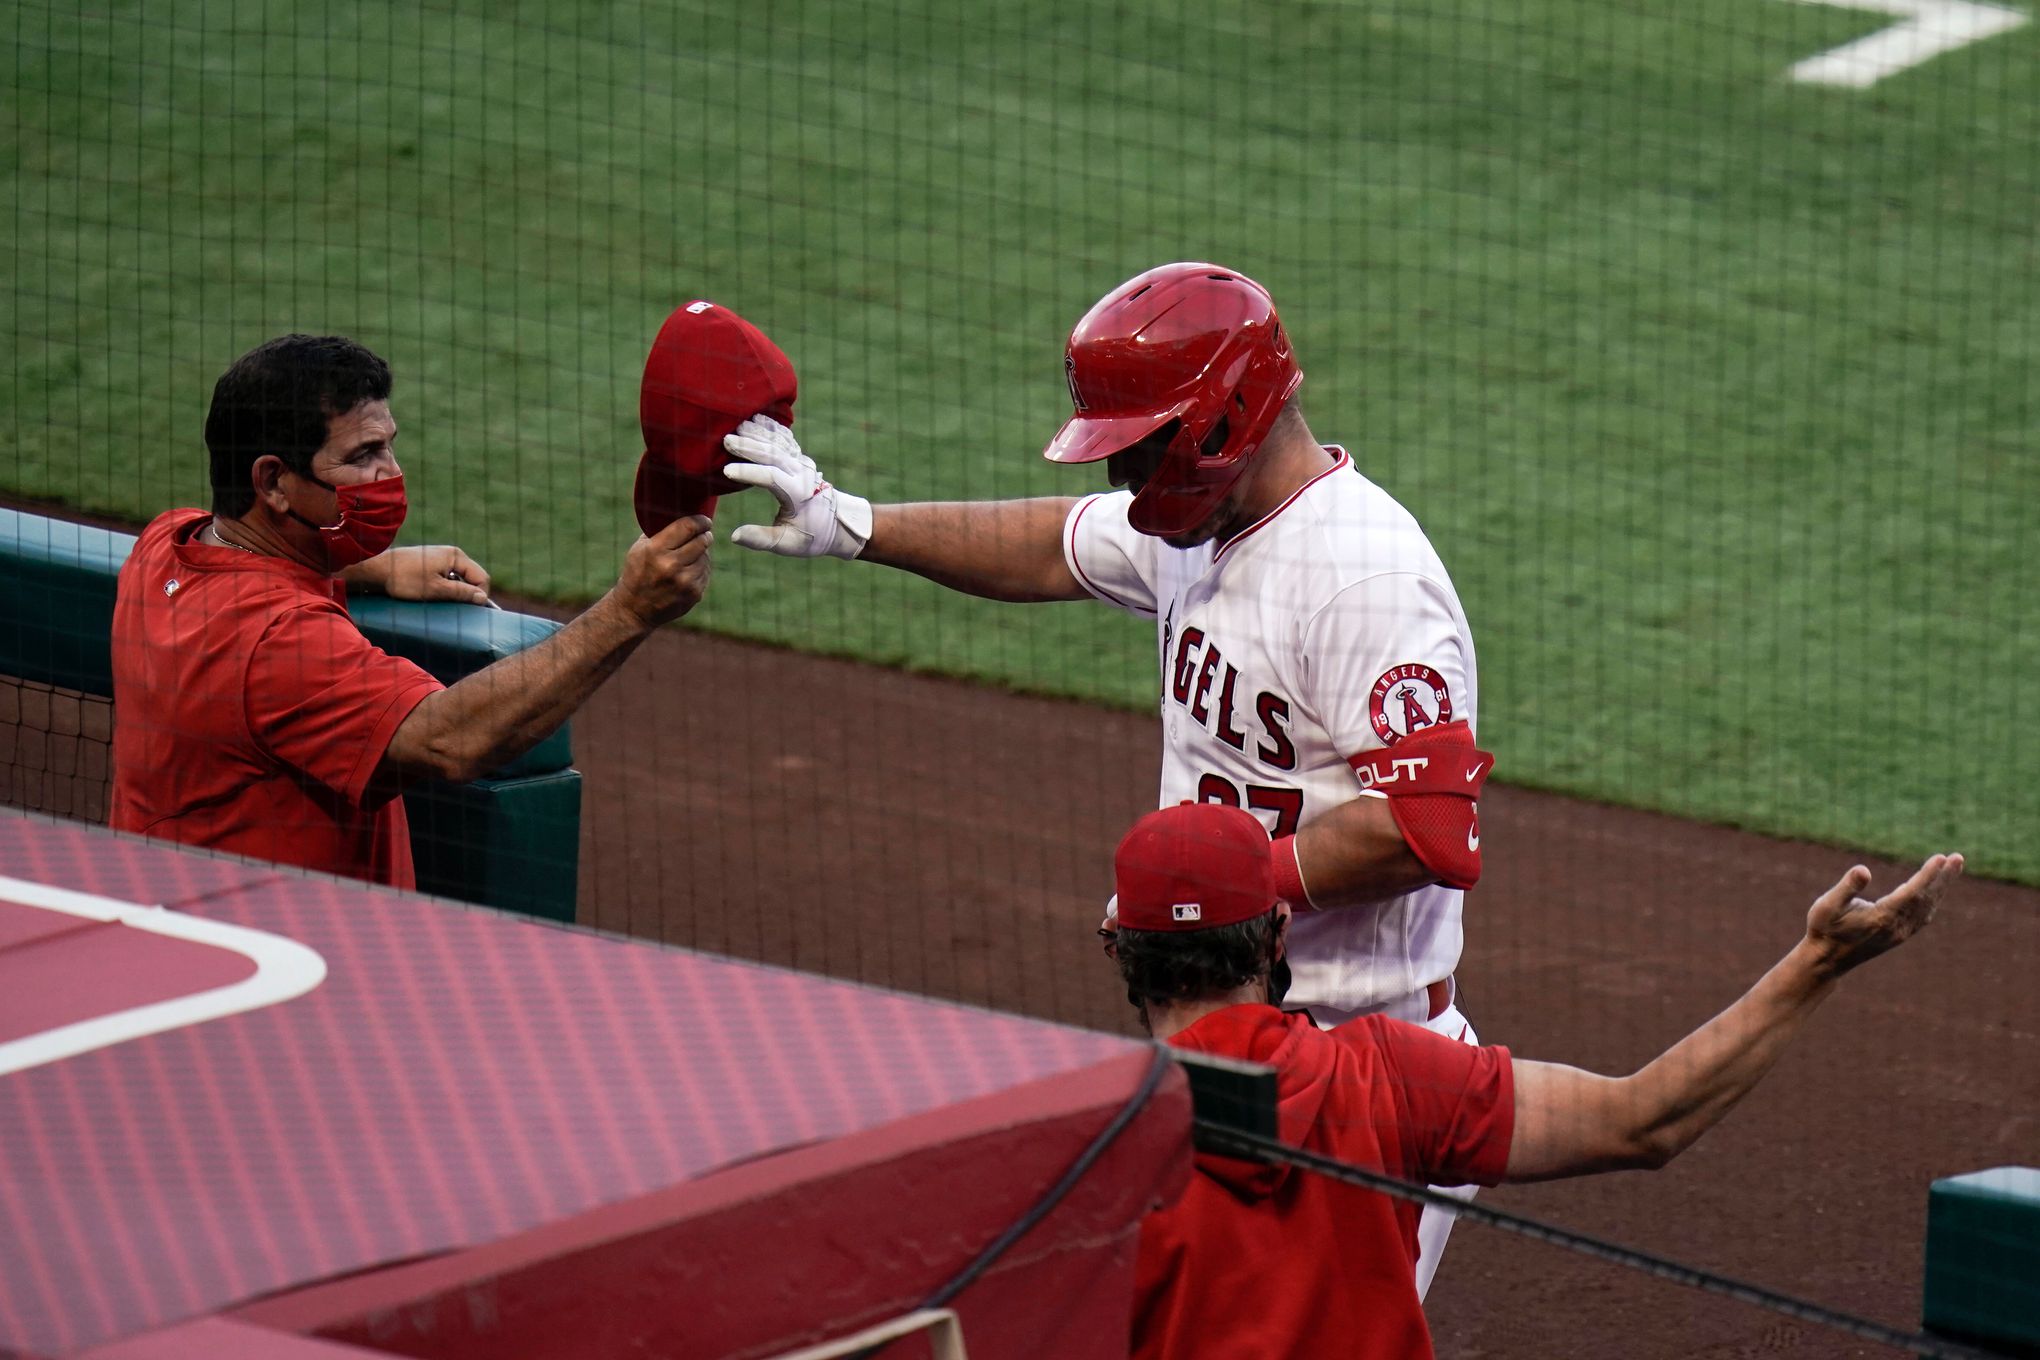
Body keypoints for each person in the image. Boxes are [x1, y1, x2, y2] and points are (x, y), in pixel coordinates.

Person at [722, 261, 1492, 1290]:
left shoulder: (1367, 579)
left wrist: (1198, 896)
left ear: (1223, 420)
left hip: (1361, 1058)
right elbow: (1051, 544)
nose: (1122, 483)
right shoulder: (1200, 528)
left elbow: (1420, 829)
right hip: (1229, 1034)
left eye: (1139, 451)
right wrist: (850, 522)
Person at [1102, 802, 1963, 1360]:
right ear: (1277, 934)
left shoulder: (1078, 1137)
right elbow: (1644, 1119)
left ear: (1121, 948)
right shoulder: (1390, 1074)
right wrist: (1816, 964)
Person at [110, 333, 713, 889]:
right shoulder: (279, 643)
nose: (391, 475)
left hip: (164, 919)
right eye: (363, 454)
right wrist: (629, 611)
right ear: (272, 481)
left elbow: (250, 564)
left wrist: (361, 565)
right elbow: (452, 740)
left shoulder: (165, 545)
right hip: (294, 964)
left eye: (389, 446)